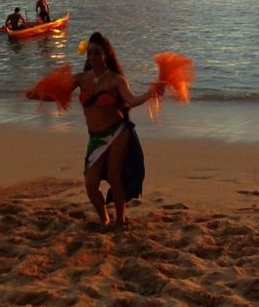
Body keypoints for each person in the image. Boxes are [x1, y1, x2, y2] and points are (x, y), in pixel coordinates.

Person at [28, 31, 164, 229]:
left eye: (96, 53)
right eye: (89, 53)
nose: (92, 57)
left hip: (117, 133)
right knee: (91, 184)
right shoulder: (81, 79)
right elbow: (59, 94)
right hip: (95, 137)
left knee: (114, 176)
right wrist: (36, 95)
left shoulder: (116, 80)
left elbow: (131, 100)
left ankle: (120, 219)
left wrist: (150, 93)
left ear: (106, 54)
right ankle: (104, 218)